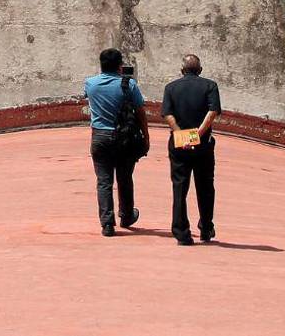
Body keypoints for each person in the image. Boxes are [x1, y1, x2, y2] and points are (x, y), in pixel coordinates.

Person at [84, 48, 149, 236]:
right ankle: (127, 215)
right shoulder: (130, 85)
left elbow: (88, 97)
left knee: (104, 181)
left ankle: (107, 223)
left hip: (100, 136)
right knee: (125, 178)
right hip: (124, 137)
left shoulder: (90, 84)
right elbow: (140, 112)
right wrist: (146, 136)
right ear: (120, 65)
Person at [161, 54, 221, 245]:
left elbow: (167, 114)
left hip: (179, 145)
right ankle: (206, 227)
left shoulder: (171, 88)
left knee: (179, 187)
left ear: (182, 71)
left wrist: (182, 135)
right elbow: (212, 113)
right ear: (200, 70)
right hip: (203, 146)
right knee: (205, 187)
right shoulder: (210, 86)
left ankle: (181, 232)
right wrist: (197, 135)